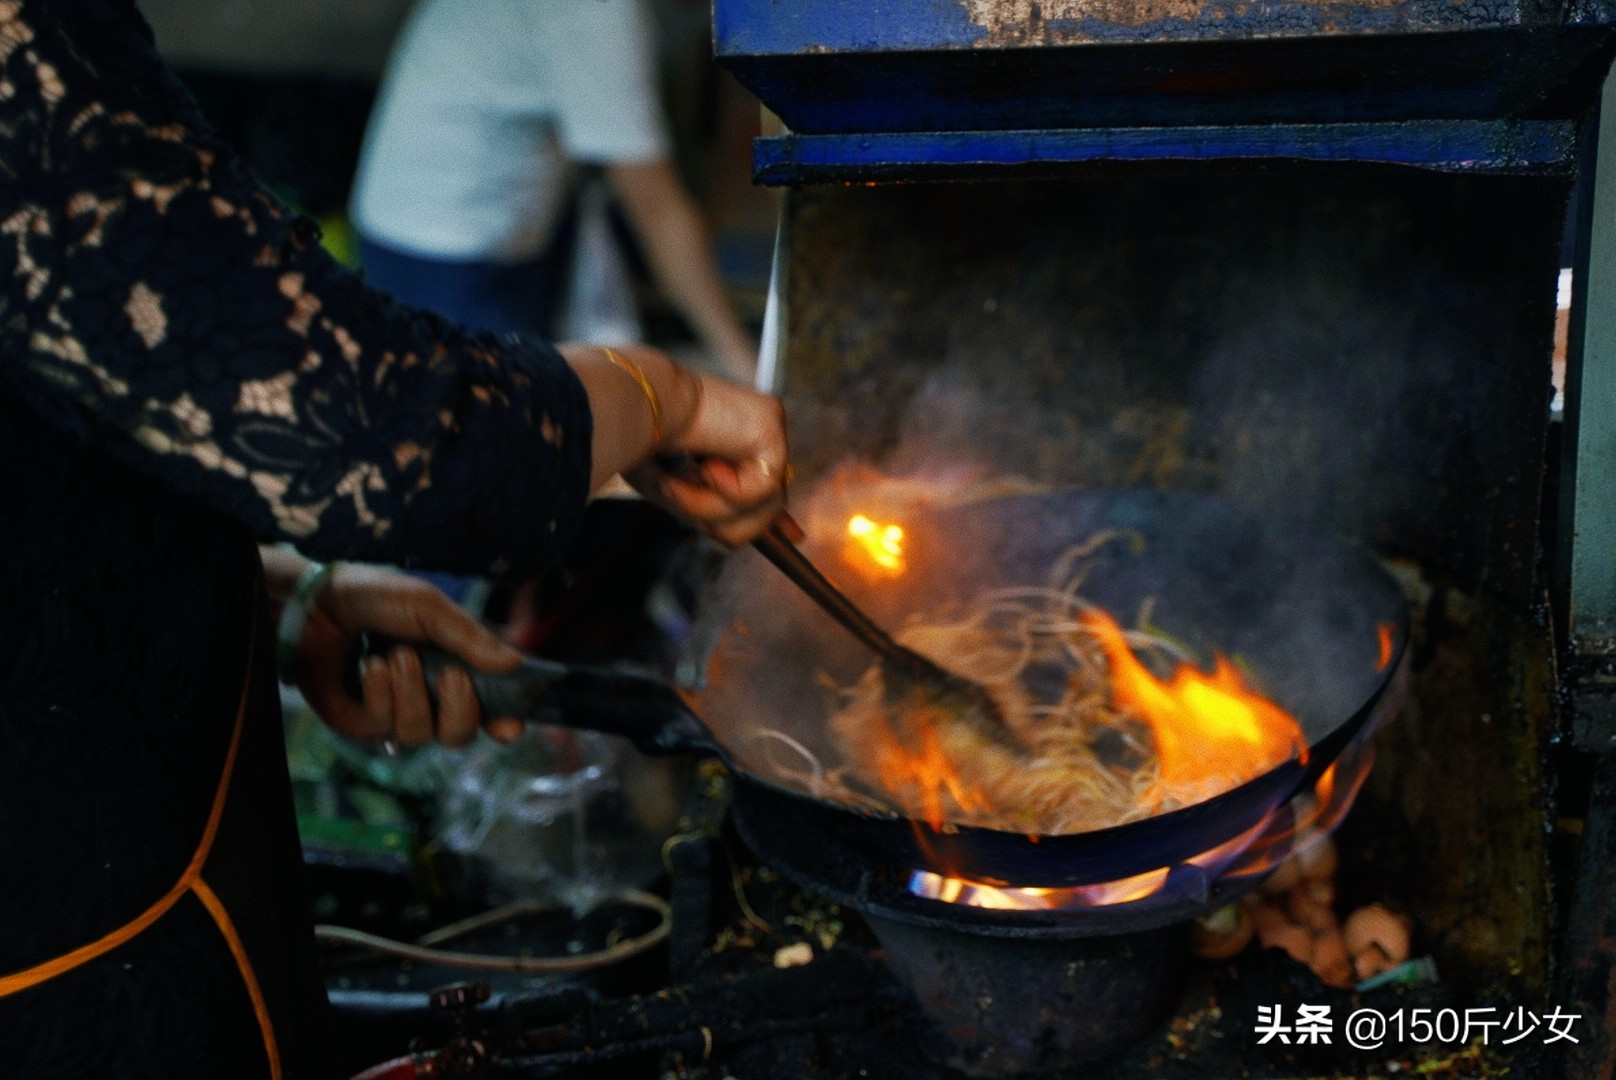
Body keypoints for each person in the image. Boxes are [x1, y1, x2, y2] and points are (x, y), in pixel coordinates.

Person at [0, 1, 788, 1076]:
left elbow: (58, 448)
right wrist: (660, 393)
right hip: (74, 963)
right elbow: (357, 429)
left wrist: (280, 603)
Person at [349, 0, 759, 382]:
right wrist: (749, 369)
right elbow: (658, 210)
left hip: (456, 227)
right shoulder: (591, 12)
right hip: (440, 255)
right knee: (495, 429)